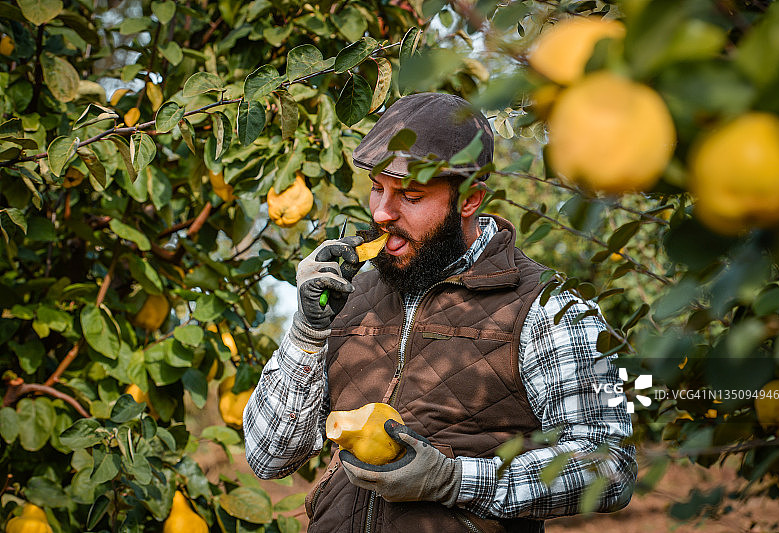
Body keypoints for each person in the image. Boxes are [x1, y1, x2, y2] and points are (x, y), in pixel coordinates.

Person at [244, 92, 636, 532]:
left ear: (469, 199)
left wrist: (453, 480)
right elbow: (268, 456)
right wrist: (306, 333)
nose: (382, 213)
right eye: (377, 187)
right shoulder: (349, 296)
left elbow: (610, 465)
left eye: (410, 195)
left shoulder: (548, 306)